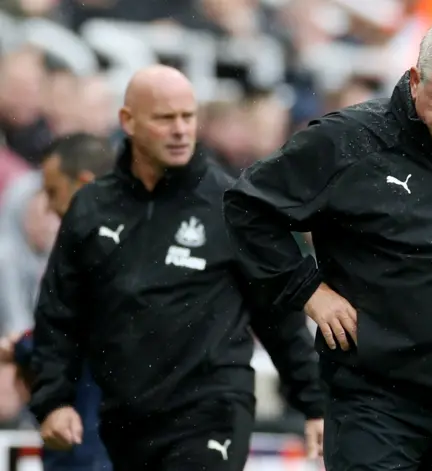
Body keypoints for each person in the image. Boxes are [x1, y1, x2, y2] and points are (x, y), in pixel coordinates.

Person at [223, 20, 432, 471]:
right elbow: (247, 209)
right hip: (374, 401)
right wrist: (309, 292)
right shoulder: (348, 141)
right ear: (414, 80)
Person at [29, 65, 324, 471]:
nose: (181, 129)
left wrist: (315, 402)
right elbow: (59, 313)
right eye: (165, 118)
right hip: (126, 418)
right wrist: (54, 401)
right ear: (128, 122)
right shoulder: (91, 208)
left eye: (188, 116)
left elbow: (277, 314)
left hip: (211, 412)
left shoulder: (230, 205)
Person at [0, 132, 115, 471]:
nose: (49, 207)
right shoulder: (113, 245)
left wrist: (21, 347)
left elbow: (84, 335)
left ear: (83, 184)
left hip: (89, 439)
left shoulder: (101, 253)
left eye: (53, 192)